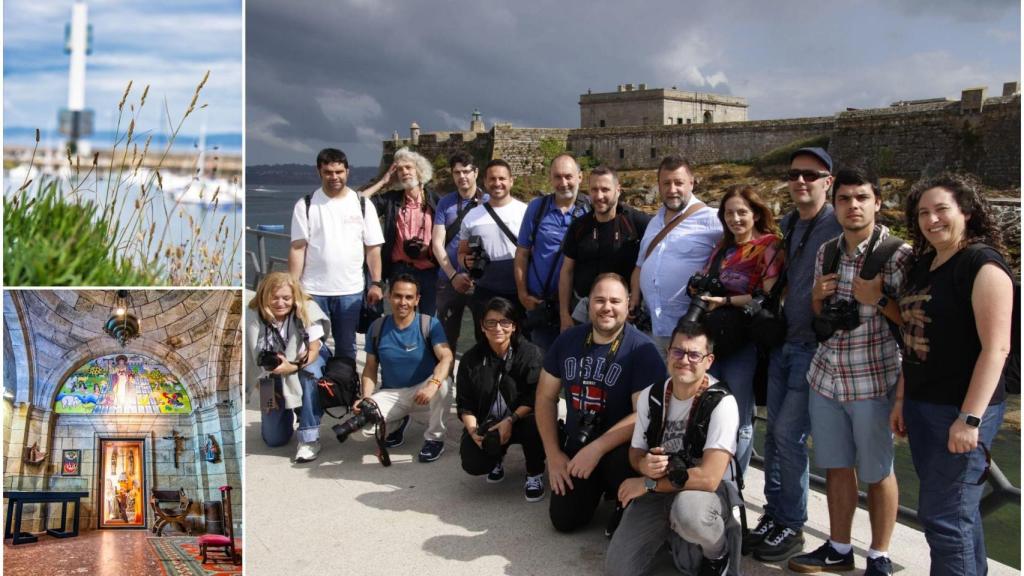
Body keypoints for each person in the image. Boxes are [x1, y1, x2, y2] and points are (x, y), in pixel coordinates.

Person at [789, 166, 912, 575]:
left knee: (878, 472)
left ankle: (879, 555)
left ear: (878, 202)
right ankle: (839, 547)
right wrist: (816, 297)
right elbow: (821, 316)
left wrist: (879, 299)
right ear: (835, 204)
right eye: (844, 199)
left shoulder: (898, 254)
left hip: (873, 380)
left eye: (862, 198)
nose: (853, 206)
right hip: (826, 377)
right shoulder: (828, 251)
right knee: (837, 466)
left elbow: (913, 324)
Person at [891, 173, 1013, 576]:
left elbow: (996, 349)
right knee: (957, 513)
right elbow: (913, 338)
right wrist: (902, 399)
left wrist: (970, 419)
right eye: (923, 213)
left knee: (943, 518)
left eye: (941, 209)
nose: (932, 220)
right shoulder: (925, 265)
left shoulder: (982, 265)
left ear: (967, 211)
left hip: (961, 409)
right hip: (923, 404)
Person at [747, 147, 842, 561]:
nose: (801, 181)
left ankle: (791, 522)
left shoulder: (837, 223)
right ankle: (774, 513)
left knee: (789, 435)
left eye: (811, 174)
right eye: (794, 174)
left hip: (813, 348)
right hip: (783, 342)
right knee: (774, 435)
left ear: (828, 182)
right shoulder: (788, 224)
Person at [536, 273, 668, 536]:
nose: (607, 307)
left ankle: (623, 502)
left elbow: (642, 415)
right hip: (579, 443)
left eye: (615, 301)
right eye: (599, 300)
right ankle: (596, 489)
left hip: (620, 450)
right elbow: (545, 397)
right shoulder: (568, 340)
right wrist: (554, 455)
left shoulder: (642, 350)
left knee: (621, 459)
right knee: (564, 520)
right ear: (589, 303)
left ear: (628, 304)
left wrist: (596, 449)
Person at [605, 321, 741, 576]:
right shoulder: (652, 395)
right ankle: (670, 537)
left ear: (709, 361)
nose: (684, 360)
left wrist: (647, 483)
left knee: (689, 515)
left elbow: (709, 478)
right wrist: (643, 464)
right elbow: (635, 451)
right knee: (618, 570)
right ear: (668, 354)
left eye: (694, 355)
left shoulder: (721, 402)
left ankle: (717, 553)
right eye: (678, 352)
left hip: (703, 493)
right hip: (660, 488)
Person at [694, 185, 783, 477]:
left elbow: (767, 295)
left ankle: (735, 484)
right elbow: (707, 279)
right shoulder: (723, 247)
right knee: (710, 410)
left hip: (744, 340)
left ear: (756, 214)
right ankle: (711, 476)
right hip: (713, 339)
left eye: (742, 212)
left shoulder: (769, 246)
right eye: (729, 213)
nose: (735, 219)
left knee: (738, 415)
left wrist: (726, 301)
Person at [289, 147, 384, 362]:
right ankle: (318, 382)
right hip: (312, 290)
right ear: (319, 172)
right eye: (328, 172)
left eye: (339, 172)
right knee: (311, 347)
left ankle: (344, 382)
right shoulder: (306, 205)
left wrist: (376, 283)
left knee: (346, 347)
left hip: (350, 290)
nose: (334, 177)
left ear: (347, 172)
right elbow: (297, 248)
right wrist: (293, 287)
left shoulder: (362, 204)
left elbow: (373, 248)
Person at [354, 274, 454, 462]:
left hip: (423, 392)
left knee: (444, 384)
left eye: (409, 297)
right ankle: (399, 421)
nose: (403, 302)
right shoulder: (377, 327)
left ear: (417, 300)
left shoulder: (429, 324)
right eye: (398, 296)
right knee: (357, 431)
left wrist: (433, 384)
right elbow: (370, 368)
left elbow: (446, 356)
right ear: (388, 296)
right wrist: (366, 398)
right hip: (392, 394)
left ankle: (435, 439)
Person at [456, 297, 547, 501]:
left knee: (537, 421)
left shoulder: (531, 354)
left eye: (505, 322)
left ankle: (535, 472)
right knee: (473, 463)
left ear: (514, 326)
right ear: (482, 326)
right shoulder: (471, 359)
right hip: (489, 421)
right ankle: (495, 456)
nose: (498, 328)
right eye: (491, 322)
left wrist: (510, 420)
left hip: (520, 418)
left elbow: (535, 396)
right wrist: (473, 431)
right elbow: (465, 402)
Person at [631, 156, 722, 350]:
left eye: (678, 183)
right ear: (659, 186)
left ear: (691, 183)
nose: (672, 190)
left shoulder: (712, 218)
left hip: (690, 332)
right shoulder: (654, 222)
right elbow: (640, 266)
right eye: (666, 183)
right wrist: (634, 299)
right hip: (652, 329)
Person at [245, 272, 331, 462]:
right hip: (270, 373)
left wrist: (292, 368)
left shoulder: (307, 309)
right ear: (264, 295)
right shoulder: (252, 315)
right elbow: (251, 359)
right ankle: (291, 410)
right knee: (274, 439)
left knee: (309, 374)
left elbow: (313, 351)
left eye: (286, 298)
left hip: (303, 362)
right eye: (274, 297)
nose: (280, 303)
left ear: (294, 297)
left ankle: (309, 437)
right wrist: (265, 390)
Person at [560, 166, 650, 331]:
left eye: (605, 189)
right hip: (584, 311)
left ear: (618, 190)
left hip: (622, 314)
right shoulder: (579, 226)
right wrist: (564, 314)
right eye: (594, 190)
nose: (599, 196)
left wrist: (636, 297)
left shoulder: (636, 222)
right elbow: (567, 271)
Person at [515, 153, 589, 349]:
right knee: (542, 360)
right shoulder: (537, 208)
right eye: (557, 177)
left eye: (568, 176)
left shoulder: (590, 210)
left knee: (576, 359)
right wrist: (522, 294)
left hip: (578, 306)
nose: (563, 183)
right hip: (540, 303)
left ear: (580, 177)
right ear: (550, 179)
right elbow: (522, 253)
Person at [363, 147, 442, 316]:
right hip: (399, 271)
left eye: (408, 167)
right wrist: (383, 182)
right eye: (399, 169)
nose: (404, 172)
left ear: (419, 170)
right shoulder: (392, 200)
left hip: (429, 272)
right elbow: (358, 203)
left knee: (428, 321)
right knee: (401, 319)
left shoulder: (435, 200)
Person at [458, 159, 528, 344]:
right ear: (485, 182)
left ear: (511, 181)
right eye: (492, 179)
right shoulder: (472, 217)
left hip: (519, 291)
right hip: (485, 291)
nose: (497, 183)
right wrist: (466, 262)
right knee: (485, 342)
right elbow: (461, 253)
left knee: (521, 343)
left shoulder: (526, 212)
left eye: (502, 178)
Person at [432, 151, 488, 349]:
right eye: (457, 172)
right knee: (446, 338)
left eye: (466, 171)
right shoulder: (445, 203)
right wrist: (453, 275)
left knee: (485, 336)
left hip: (481, 281)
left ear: (476, 172)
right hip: (449, 279)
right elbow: (437, 243)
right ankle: (445, 370)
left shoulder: (489, 201)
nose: (462, 176)